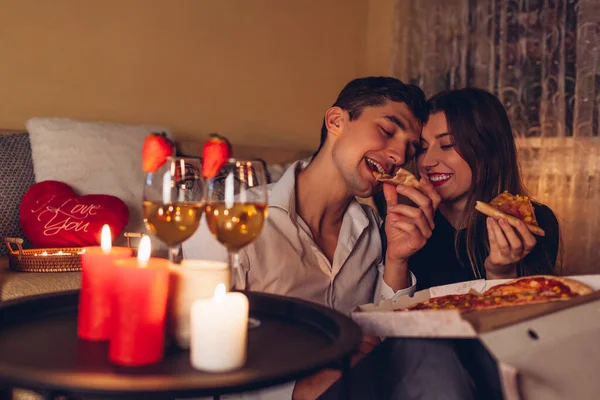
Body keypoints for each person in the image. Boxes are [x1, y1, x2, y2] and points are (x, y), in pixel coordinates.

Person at [184, 77, 478, 400]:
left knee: (434, 354)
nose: (398, 155)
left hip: (358, 386)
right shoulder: (230, 224)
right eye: (387, 130)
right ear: (336, 121)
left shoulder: (371, 230)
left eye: (410, 147)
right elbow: (193, 361)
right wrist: (296, 390)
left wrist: (397, 258)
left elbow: (383, 339)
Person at [377, 87, 560, 290]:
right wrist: (396, 261)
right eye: (422, 148)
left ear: (489, 150)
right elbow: (388, 316)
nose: (427, 162)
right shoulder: (403, 224)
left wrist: (501, 275)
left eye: (447, 145)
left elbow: (529, 319)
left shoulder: (535, 222)